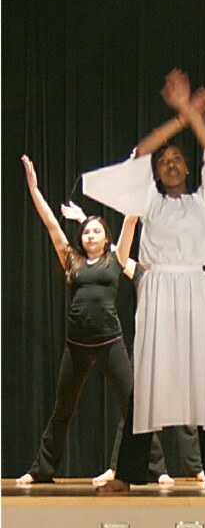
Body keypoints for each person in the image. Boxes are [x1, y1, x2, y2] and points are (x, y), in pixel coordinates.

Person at [83, 68, 205, 493]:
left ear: (188, 167)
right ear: (158, 172)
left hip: (193, 293)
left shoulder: (204, 201)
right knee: (148, 381)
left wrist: (193, 116)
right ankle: (127, 475)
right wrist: (179, 118)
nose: (170, 164)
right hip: (157, 294)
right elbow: (138, 153)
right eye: (164, 161)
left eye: (176, 159)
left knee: (203, 380)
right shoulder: (150, 203)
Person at [74, 200, 205, 487]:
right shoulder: (139, 270)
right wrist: (85, 219)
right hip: (154, 344)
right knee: (138, 409)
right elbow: (114, 250)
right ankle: (124, 476)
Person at [15, 155, 163, 485]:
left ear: (105, 237)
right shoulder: (72, 260)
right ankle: (42, 470)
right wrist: (34, 190)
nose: (91, 235)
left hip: (110, 342)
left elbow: (131, 218)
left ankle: (156, 468)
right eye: (87, 232)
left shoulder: (116, 258)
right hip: (77, 346)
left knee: (133, 408)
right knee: (62, 410)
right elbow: (51, 224)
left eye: (97, 231)